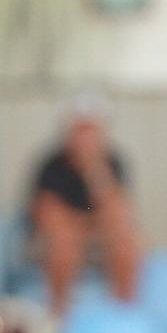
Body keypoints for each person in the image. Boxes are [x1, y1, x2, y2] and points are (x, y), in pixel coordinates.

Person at [26, 96, 140, 309]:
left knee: (127, 242)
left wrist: (94, 171)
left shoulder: (113, 162)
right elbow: (46, 215)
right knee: (63, 244)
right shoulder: (52, 166)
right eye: (81, 131)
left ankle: (125, 311)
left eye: (91, 131)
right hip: (63, 237)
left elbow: (118, 211)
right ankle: (60, 313)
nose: (85, 139)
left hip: (99, 235)